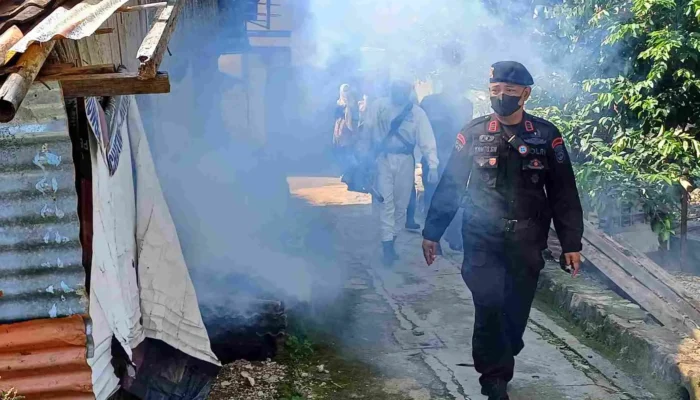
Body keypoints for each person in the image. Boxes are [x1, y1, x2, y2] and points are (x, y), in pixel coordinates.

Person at [421, 61, 583, 400]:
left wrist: (571, 242)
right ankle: (493, 380)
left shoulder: (546, 136)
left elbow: (563, 191)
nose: (502, 96)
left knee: (515, 310)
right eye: (496, 90)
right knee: (489, 303)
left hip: (526, 238)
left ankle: (505, 348)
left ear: (525, 94)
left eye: (510, 91)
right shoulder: (474, 133)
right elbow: (451, 184)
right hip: (481, 236)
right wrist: (432, 231)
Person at [366, 80, 439, 266]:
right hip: (382, 159)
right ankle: (387, 246)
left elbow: (427, 140)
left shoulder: (416, 113)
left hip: (406, 161)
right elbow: (367, 131)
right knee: (386, 203)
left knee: (401, 204)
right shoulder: (379, 106)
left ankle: (392, 238)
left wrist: (433, 166)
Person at [419, 75, 474, 250]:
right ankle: (436, 240)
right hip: (436, 156)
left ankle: (453, 236)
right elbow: (422, 131)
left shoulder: (465, 104)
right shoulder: (429, 103)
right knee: (434, 196)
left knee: (455, 197)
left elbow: (468, 131)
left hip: (456, 158)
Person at [334, 84, 360, 173]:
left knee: (350, 151)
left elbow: (355, 117)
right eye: (344, 90)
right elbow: (336, 117)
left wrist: (352, 129)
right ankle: (346, 171)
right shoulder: (338, 102)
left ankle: (351, 173)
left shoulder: (353, 103)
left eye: (347, 90)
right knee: (342, 150)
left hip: (350, 128)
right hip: (340, 128)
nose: (346, 93)